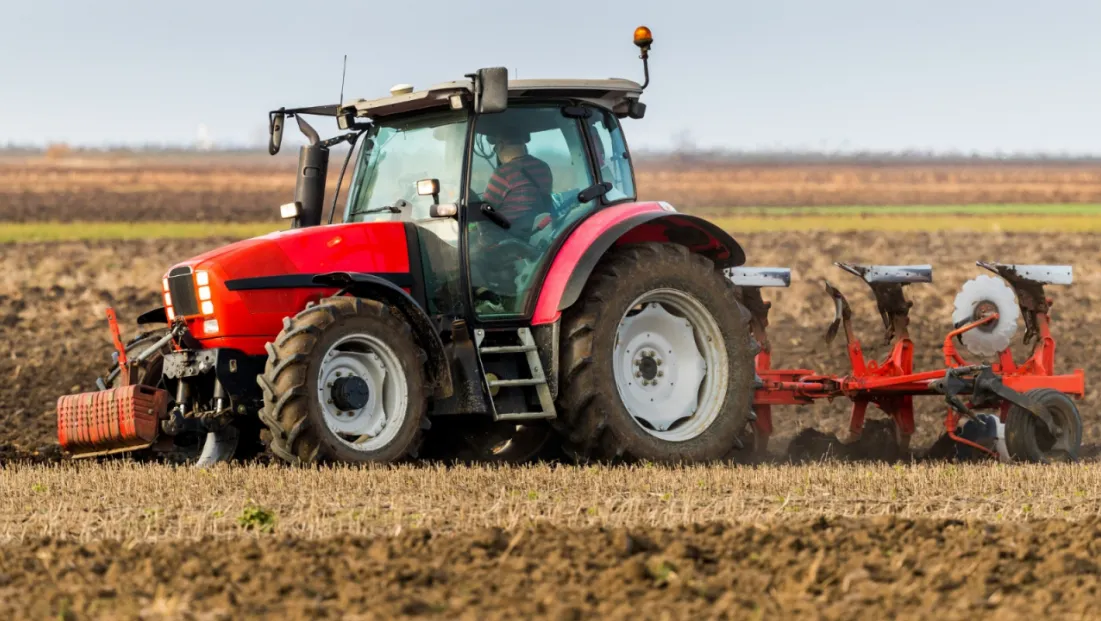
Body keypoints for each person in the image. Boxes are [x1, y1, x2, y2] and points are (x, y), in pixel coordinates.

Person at [481, 126, 554, 234]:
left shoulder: (503, 173)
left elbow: (486, 209)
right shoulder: (543, 167)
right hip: (539, 230)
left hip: (510, 234)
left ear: (500, 146)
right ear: (523, 146)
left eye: (495, 148)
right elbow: (546, 194)